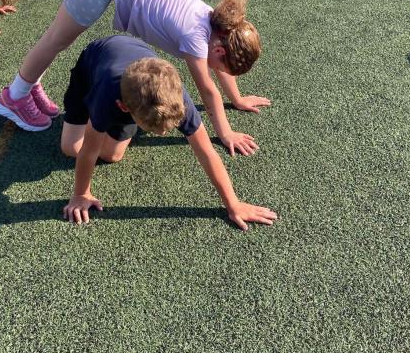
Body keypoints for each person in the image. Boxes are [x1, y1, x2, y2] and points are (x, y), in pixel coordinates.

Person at [0, 0, 269, 155]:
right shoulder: (196, 39)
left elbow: (220, 71)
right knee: (57, 39)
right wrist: (226, 133)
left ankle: (29, 85)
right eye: (222, 66)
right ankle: (15, 96)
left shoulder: (218, 24)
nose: (219, 70)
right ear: (220, 51)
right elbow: (208, 90)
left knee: (57, 38)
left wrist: (237, 98)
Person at [59, 35, 278, 230]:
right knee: (71, 148)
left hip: (135, 67)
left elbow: (207, 153)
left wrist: (233, 204)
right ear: (124, 107)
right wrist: (81, 194)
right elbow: (88, 151)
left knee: (112, 155)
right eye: (155, 129)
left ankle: (124, 124)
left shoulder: (178, 100)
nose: (163, 134)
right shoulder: (105, 98)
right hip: (92, 67)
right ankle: (102, 119)